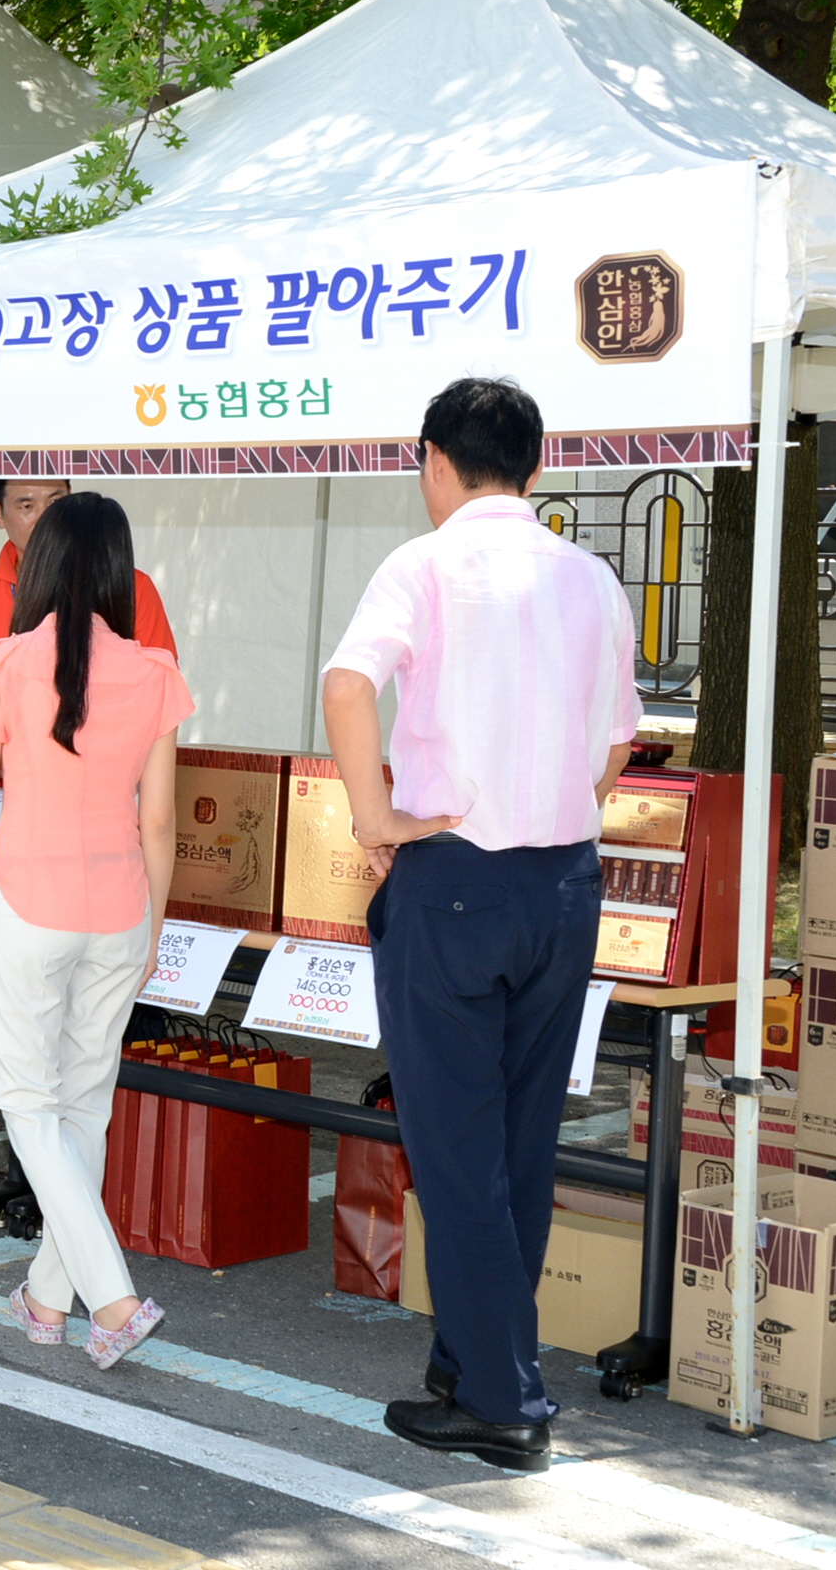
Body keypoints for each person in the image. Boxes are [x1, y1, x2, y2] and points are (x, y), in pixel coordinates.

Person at [322, 378, 636, 1472]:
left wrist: (376, 820)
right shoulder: (590, 576)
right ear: (536, 469)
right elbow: (613, 749)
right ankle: (469, 1362)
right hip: (561, 884)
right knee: (514, 1143)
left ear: (432, 461)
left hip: (451, 878)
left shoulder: (425, 563)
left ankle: (503, 1399)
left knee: (454, 1153)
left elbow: (346, 684)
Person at [0, 491, 189, 1370]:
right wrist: (155, 924)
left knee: (29, 1106)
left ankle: (111, 1299)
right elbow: (161, 824)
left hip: (30, 910)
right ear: (121, 570)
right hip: (120, 908)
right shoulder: (155, 671)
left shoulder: (4, 662)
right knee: (84, 1106)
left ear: (40, 563)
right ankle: (48, 1297)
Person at [0, 479, 177, 756]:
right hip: (13, 792)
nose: (46, 518)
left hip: (107, 783)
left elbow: (161, 698)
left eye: (55, 502)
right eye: (27, 505)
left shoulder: (130, 588)